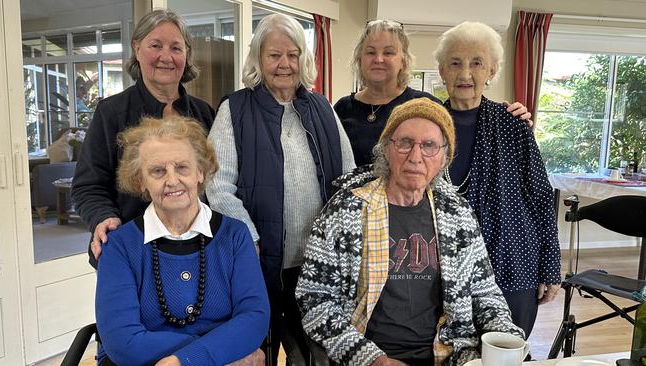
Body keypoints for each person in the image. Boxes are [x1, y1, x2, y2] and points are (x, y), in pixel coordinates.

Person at [296, 98, 523, 366]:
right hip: (369, 357)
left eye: (429, 146)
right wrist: (372, 359)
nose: (415, 157)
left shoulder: (457, 213)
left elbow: (484, 292)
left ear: (444, 157)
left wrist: (506, 337)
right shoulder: (346, 210)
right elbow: (314, 300)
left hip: (451, 355)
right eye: (404, 143)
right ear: (386, 150)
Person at [205, 13, 355, 365]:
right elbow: (217, 183)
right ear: (258, 59)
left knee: (315, 351)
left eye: (292, 55)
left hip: (320, 261)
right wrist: (250, 236)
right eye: (274, 55)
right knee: (262, 347)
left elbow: (348, 176)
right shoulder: (235, 109)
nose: (284, 64)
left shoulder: (321, 107)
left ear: (304, 59)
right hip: (260, 259)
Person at [95, 115, 269, 366]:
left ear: (200, 171)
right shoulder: (119, 246)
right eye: (157, 171)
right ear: (140, 181)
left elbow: (254, 318)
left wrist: (184, 361)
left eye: (182, 167)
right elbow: (124, 343)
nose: (172, 180)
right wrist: (220, 353)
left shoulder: (234, 235)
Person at [434, 21, 561, 339]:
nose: (465, 74)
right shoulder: (427, 124)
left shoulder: (514, 124)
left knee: (504, 350)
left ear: (491, 71)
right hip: (443, 270)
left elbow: (541, 196)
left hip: (513, 263)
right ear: (442, 71)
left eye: (476, 63)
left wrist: (550, 266)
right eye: (455, 63)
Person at [72, 9, 215, 267]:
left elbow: (215, 183)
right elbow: (88, 186)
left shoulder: (205, 113)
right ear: (137, 49)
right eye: (155, 45)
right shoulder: (111, 112)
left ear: (186, 55)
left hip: (199, 251)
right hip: (133, 251)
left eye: (176, 47)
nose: (166, 57)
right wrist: (103, 217)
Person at [334, 19, 531, 167]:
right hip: (353, 209)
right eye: (370, 52)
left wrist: (515, 116)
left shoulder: (425, 105)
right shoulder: (341, 108)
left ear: (403, 60)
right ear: (359, 59)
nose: (378, 59)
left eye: (388, 52)